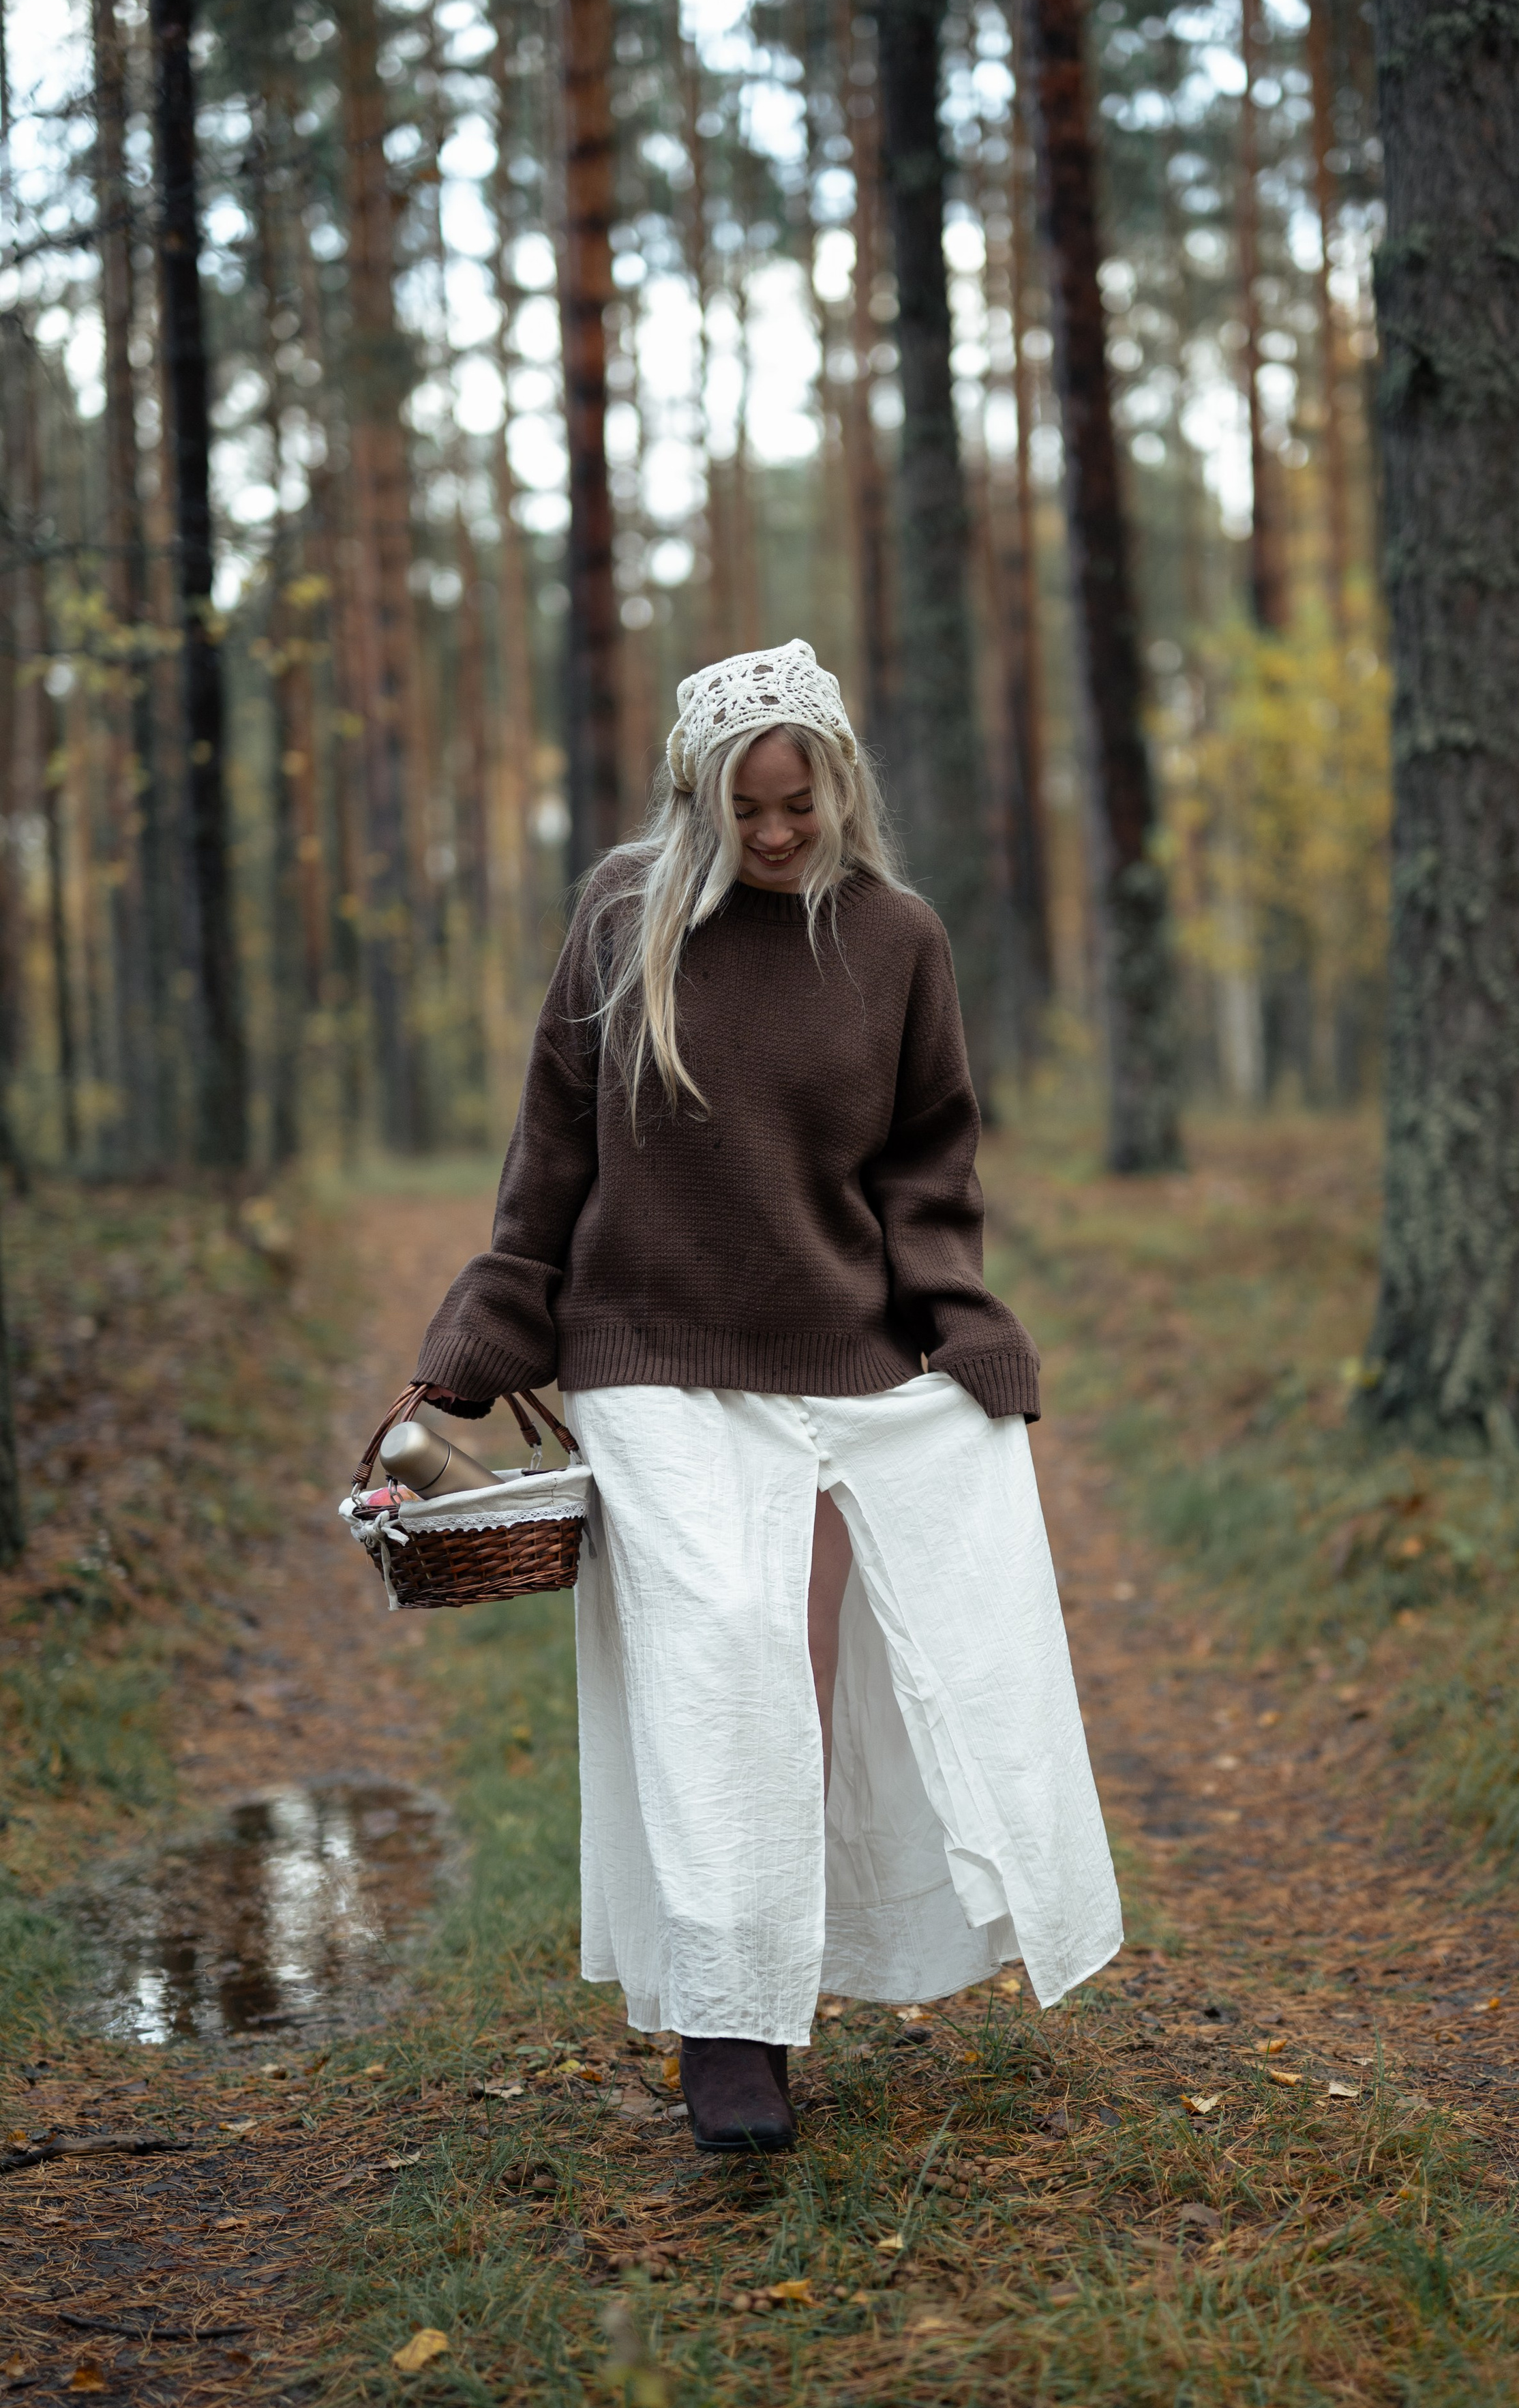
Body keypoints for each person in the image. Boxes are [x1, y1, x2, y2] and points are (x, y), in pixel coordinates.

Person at [412, 640, 1121, 2152]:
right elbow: (552, 1144)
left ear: (838, 783)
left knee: (794, 1676)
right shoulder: (622, 918)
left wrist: (956, 1317)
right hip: (644, 1354)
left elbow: (927, 1163)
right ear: (696, 800)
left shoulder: (895, 939)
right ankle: (728, 2035)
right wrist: (491, 1321)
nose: (778, 831)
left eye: (798, 801)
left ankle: (779, 1985)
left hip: (834, 1359)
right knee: (716, 1660)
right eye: (746, 809)